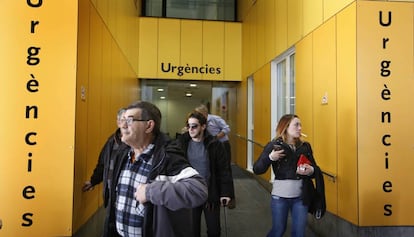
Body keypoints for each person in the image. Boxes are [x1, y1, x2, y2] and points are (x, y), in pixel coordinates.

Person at [115, 101, 208, 237]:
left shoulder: (167, 157)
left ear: (149, 126)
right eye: (122, 120)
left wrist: (151, 191)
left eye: (129, 120)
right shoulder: (122, 154)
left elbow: (198, 189)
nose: (122, 125)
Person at [253, 114, 321, 237]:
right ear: (285, 127)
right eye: (296, 125)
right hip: (280, 198)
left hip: (301, 198)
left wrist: (310, 170)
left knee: (299, 233)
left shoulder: (305, 147)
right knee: (278, 231)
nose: (300, 128)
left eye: (300, 125)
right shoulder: (274, 146)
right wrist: (270, 158)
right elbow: (257, 169)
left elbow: (314, 170)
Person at [176, 111, 234, 237]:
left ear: (203, 126)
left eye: (194, 126)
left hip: (210, 195)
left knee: (214, 231)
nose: (190, 129)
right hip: (190, 194)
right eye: (188, 126)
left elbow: (223, 170)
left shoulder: (214, 145)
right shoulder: (182, 144)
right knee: (191, 231)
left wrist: (225, 193)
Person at [82, 108, 128, 237]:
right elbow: (103, 164)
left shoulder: (134, 143)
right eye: (123, 119)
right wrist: (93, 181)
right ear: (118, 122)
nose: (126, 123)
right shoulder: (111, 142)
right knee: (110, 228)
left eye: (129, 120)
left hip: (126, 195)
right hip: (110, 195)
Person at [195, 104, 236, 209]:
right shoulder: (200, 122)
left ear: (204, 113)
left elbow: (227, 129)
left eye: (199, 114)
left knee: (226, 170)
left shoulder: (215, 119)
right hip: (211, 146)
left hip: (222, 145)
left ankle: (231, 198)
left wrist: (216, 138)